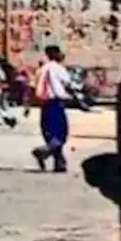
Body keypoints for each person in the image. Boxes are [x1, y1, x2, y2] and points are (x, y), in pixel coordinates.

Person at [30, 44, 72, 173]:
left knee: (49, 132)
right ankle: (43, 151)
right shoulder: (58, 68)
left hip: (44, 104)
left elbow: (33, 86)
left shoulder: (41, 69)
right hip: (56, 102)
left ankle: (59, 162)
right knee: (61, 133)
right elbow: (68, 83)